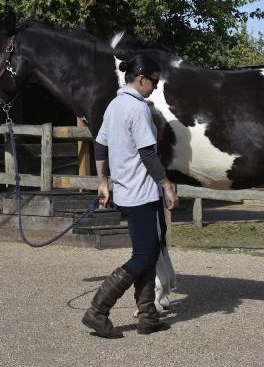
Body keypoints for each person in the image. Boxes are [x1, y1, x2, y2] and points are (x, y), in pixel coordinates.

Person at [82, 54, 179, 338]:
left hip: (126, 192)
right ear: (141, 78)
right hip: (142, 193)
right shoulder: (138, 109)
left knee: (147, 254)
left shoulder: (114, 105)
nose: (156, 87)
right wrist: (167, 185)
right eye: (154, 81)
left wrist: (102, 181)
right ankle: (97, 311)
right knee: (142, 256)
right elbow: (147, 153)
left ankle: (148, 315)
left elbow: (100, 145)